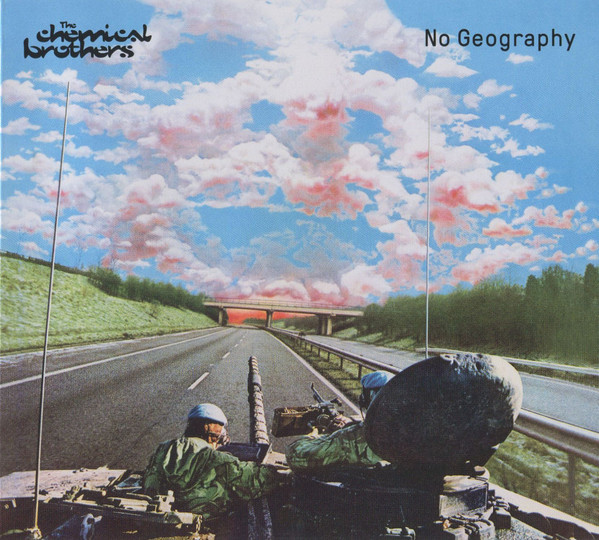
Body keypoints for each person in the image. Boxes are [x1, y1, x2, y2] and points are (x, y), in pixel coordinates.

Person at [143, 403, 286, 520]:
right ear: (214, 435)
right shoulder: (217, 459)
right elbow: (254, 480)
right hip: (196, 518)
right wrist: (273, 471)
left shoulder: (164, 448)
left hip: (157, 510)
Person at [285, 371, 394, 472]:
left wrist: (318, 434)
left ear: (366, 399)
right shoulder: (402, 434)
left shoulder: (351, 439)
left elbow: (295, 455)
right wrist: (353, 424)